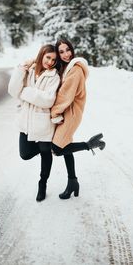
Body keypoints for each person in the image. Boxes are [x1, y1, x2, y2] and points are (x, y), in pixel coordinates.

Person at [50, 38, 105, 199]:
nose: (66, 54)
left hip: (71, 113)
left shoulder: (75, 69)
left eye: (68, 50)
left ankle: (90, 144)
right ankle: (73, 182)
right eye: (61, 52)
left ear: (72, 49)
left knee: (58, 148)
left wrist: (54, 113)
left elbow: (64, 96)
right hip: (68, 111)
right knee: (65, 146)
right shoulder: (66, 67)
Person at [8, 44, 60, 202]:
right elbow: (12, 90)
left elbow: (48, 100)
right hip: (25, 121)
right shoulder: (28, 71)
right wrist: (21, 68)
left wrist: (24, 92)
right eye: (48, 57)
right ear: (41, 55)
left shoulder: (54, 76)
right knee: (25, 154)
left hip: (43, 123)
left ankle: (42, 184)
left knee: (45, 153)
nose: (50, 62)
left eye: (53, 59)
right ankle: (49, 147)